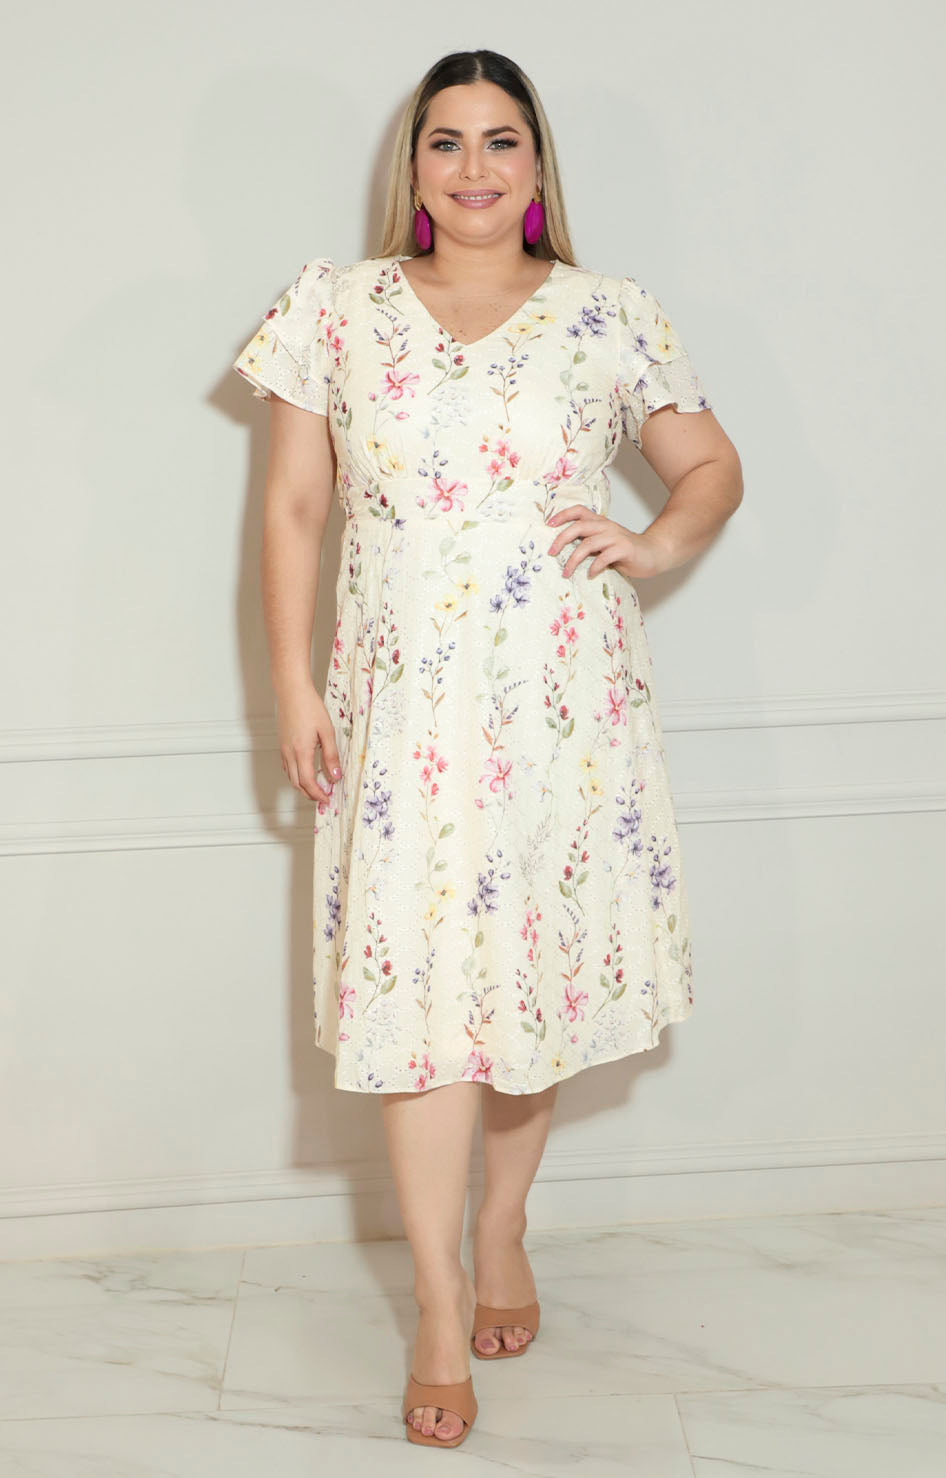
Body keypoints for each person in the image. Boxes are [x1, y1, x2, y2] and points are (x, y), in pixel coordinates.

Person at [232, 47, 743, 1450]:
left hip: (563, 708)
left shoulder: (607, 313)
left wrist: (650, 545)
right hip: (399, 709)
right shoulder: (332, 309)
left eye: (500, 140)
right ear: (413, 164)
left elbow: (711, 467)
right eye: (446, 140)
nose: (472, 167)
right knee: (418, 1010)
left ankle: (503, 1225)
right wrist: (292, 684)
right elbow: (292, 511)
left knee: (531, 994)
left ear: (535, 165)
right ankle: (439, 1302)